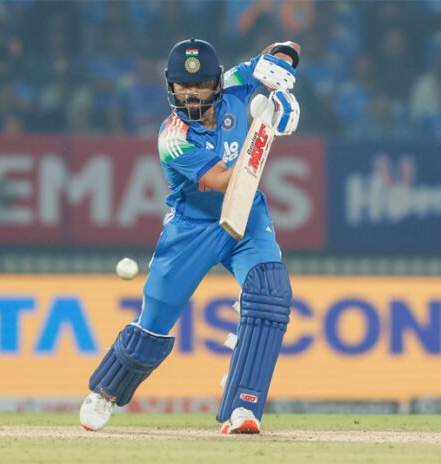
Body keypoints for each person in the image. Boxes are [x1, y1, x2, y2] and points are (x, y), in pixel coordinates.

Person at [80, 38, 301, 434]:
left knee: (271, 296)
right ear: (171, 86)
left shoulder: (237, 83)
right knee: (153, 324)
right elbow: (223, 180)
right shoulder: (173, 137)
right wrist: (266, 127)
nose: (192, 93)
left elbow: (285, 52)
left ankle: (243, 407)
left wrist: (283, 66)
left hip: (247, 217)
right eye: (183, 85)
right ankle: (106, 391)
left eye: (200, 84)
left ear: (217, 82)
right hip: (192, 228)